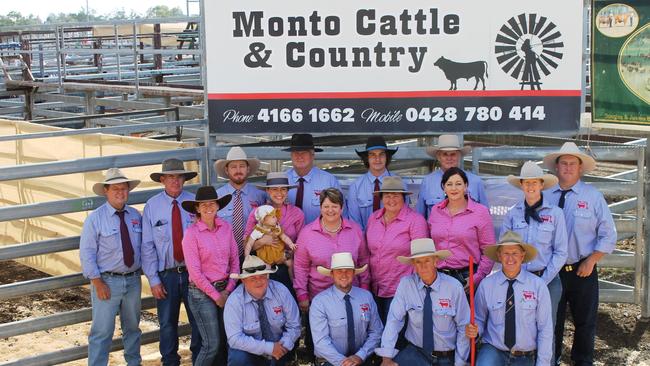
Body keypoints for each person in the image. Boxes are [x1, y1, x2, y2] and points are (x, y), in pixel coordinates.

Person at [543, 142, 617, 366]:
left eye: (572, 164)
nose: (567, 167)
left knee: (585, 322)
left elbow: (608, 234)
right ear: (556, 167)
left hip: (581, 269)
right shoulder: (544, 195)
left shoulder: (593, 197)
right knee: (551, 322)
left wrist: (592, 260)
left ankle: (583, 362)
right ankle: (550, 360)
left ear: (580, 168)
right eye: (563, 163)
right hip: (551, 271)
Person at [294, 188, 369, 362]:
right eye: (326, 206)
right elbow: (300, 266)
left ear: (342, 208)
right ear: (320, 207)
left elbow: (363, 260)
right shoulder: (307, 233)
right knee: (320, 345)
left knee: (354, 339)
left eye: (334, 206)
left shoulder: (355, 230)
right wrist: (302, 294)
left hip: (352, 295)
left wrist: (364, 290)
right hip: (318, 297)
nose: (330, 210)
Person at [79, 168, 143, 366]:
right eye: (115, 188)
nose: (120, 192)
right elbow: (87, 253)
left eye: (124, 188)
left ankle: (133, 363)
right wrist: (97, 282)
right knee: (102, 331)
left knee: (133, 328)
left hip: (133, 280)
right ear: (106, 190)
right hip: (107, 281)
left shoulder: (135, 216)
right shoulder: (95, 219)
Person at [141, 158, 202, 365]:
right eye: (170, 177)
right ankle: (169, 361)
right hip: (166, 273)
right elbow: (147, 245)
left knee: (197, 319)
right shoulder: (152, 206)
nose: (175, 181)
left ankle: (198, 358)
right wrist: (153, 279)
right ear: (162, 180)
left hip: (193, 272)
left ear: (184, 179)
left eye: (179, 176)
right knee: (167, 322)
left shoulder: (194, 203)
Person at [376, 238, 470, 366]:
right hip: (415, 353)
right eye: (418, 262)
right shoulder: (406, 285)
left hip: (446, 356)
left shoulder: (454, 287)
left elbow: (463, 326)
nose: (423, 266)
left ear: (435, 261)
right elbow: (394, 320)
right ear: (413, 265)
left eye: (427, 260)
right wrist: (386, 356)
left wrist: (460, 362)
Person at [466, 231, 553, 366]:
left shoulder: (538, 286)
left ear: (522, 255)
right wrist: (475, 330)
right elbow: (478, 319)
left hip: (524, 355)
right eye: (506, 253)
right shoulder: (486, 285)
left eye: (515, 253)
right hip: (493, 350)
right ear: (499, 256)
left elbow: (545, 328)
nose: (510, 258)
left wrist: (543, 363)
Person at [501, 161, 568, 334]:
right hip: (517, 279)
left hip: (548, 279)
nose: (531, 186)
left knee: (546, 329)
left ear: (541, 184)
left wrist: (542, 280)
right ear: (521, 185)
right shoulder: (512, 215)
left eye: (535, 182)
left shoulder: (555, 214)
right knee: (520, 328)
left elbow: (561, 251)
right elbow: (505, 250)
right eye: (527, 182)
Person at [181, 186, 240, 366]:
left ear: (217, 206)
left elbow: (235, 259)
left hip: (225, 289)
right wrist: (217, 296)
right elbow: (195, 273)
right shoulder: (191, 234)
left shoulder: (226, 228)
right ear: (197, 209)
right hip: (202, 293)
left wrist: (228, 290)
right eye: (203, 205)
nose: (208, 207)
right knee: (211, 344)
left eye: (211, 203)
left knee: (227, 340)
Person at [365, 176, 429, 323]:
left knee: (396, 337)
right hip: (374, 288)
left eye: (396, 195)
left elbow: (421, 258)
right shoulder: (373, 218)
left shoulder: (415, 221)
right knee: (377, 333)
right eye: (387, 195)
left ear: (404, 198)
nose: (391, 200)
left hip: (401, 290)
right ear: (381, 198)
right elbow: (368, 252)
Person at [224, 255, 301, 366]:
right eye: (253, 278)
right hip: (249, 351)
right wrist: (269, 348)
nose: (258, 281)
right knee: (238, 357)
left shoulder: (281, 291)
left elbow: (295, 325)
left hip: (279, 347)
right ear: (243, 280)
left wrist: (282, 346)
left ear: (268, 276)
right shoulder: (234, 301)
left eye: (262, 276)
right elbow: (234, 338)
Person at [310, 252, 384, 366]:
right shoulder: (320, 302)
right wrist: (344, 363)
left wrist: (360, 355)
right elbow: (321, 342)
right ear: (332, 274)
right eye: (339, 270)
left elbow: (376, 331)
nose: (344, 274)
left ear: (354, 273)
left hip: (362, 359)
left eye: (348, 270)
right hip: (331, 361)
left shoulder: (366, 297)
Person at [428, 167, 495, 289]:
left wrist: (477, 277)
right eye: (449, 184)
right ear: (443, 187)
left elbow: (489, 251)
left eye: (458, 184)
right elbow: (430, 244)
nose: (454, 188)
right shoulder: (435, 211)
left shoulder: (480, 212)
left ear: (466, 186)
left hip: (467, 277)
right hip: (439, 277)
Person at [245, 171, 305, 296]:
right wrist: (262, 241)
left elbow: (301, 243)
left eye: (283, 189)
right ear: (267, 191)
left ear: (287, 191)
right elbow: (247, 244)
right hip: (262, 267)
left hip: (285, 266)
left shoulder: (297, 213)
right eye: (274, 189)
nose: (279, 193)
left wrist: (288, 255)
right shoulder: (257, 213)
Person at [416, 134, 488, 219]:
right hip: (435, 231)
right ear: (439, 157)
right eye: (445, 154)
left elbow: (485, 216)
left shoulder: (476, 181)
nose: (449, 158)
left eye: (453, 154)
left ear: (459, 156)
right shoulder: (427, 181)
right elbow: (420, 217)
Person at [215, 146, 266, 263]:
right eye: (233, 167)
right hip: (225, 257)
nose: (238, 170)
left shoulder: (260, 196)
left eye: (242, 166)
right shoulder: (217, 197)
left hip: (255, 255)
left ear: (248, 169)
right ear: (227, 170)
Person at [347, 136, 405, 231]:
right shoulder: (356, 187)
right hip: (364, 241)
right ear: (367, 158)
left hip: (394, 240)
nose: (377, 159)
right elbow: (355, 222)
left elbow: (404, 216)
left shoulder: (400, 183)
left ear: (387, 157)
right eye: (372, 155)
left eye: (381, 154)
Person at [284, 133, 342, 224]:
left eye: (304, 152)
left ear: (313, 155)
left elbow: (339, 214)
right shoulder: (281, 180)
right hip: (285, 236)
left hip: (319, 236)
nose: (299, 156)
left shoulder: (329, 181)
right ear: (291, 155)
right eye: (296, 152)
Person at [243, 205, 297, 280]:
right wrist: (247, 257)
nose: (276, 218)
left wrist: (291, 244)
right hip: (265, 258)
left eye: (275, 216)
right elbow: (249, 244)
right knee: (266, 270)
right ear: (264, 220)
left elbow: (284, 237)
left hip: (279, 253)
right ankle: (268, 285)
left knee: (290, 263)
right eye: (273, 217)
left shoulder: (276, 228)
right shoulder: (258, 231)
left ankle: (293, 281)